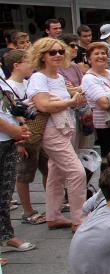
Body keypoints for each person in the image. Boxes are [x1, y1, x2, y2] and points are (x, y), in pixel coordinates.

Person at [27, 37, 87, 231]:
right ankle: (79, 219)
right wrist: (71, 102)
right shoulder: (39, 77)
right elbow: (43, 105)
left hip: (63, 128)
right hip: (52, 131)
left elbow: (63, 95)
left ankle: (53, 216)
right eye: (52, 52)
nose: (58, 55)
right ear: (42, 56)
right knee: (76, 172)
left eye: (61, 51)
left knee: (56, 173)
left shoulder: (58, 77)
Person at [4, 50, 46, 226]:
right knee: (24, 175)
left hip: (37, 133)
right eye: (28, 61)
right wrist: (18, 142)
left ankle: (53, 204)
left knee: (48, 168)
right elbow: (8, 116)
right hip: (21, 137)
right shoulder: (7, 87)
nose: (32, 65)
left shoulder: (29, 83)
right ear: (16, 65)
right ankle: (28, 211)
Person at [0, 54, 34, 258]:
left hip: (7, 141)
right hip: (6, 137)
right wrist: (14, 132)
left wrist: (19, 128)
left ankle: (6, 234)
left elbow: (8, 108)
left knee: (4, 193)